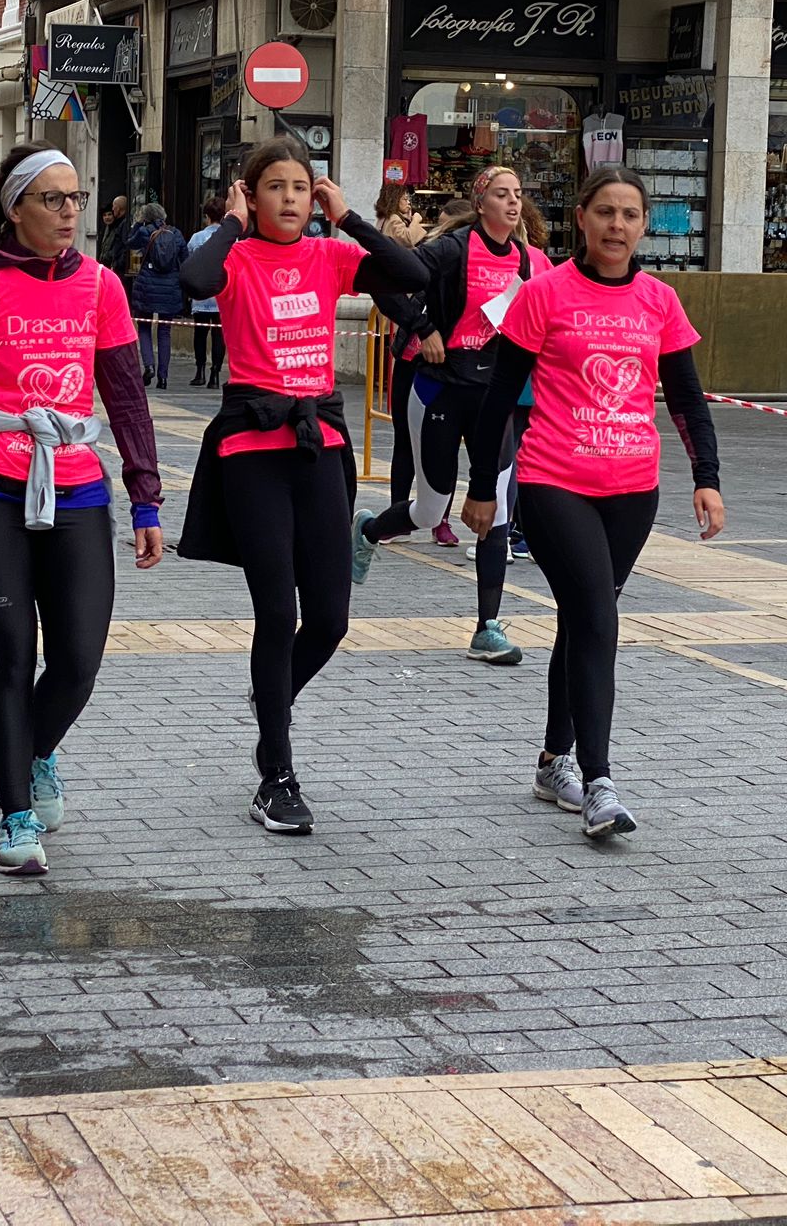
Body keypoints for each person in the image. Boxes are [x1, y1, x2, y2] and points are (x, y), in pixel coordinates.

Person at [0, 144, 163, 875]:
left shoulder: (103, 286)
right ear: (13, 209)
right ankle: (15, 813)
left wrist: (146, 498)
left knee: (78, 659)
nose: (70, 212)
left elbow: (127, 397)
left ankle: (37, 751)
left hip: (77, 482)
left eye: (76, 198)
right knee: (12, 661)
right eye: (53, 199)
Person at [461, 165, 724, 838]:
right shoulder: (543, 294)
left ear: (643, 225)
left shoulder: (659, 301)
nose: (617, 226)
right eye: (605, 212)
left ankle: (554, 761)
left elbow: (688, 398)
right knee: (599, 621)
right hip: (553, 481)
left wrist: (707, 476)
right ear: (581, 217)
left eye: (630, 215)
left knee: (581, 622)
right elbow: (498, 399)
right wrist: (484, 488)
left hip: (633, 489)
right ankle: (600, 781)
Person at [177, 135, 429, 835]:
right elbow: (193, 282)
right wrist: (229, 224)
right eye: (275, 187)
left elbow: (413, 274)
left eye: (300, 188)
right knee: (274, 611)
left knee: (330, 618)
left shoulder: (330, 253)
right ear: (251, 196)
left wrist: (349, 218)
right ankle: (276, 778)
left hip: (321, 445)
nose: (289, 199)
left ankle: (272, 700)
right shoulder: (234, 256)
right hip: (251, 450)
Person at [352, 165, 545, 667]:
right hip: (439, 390)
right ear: (481, 204)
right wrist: (423, 326)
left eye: (518, 195)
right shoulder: (452, 249)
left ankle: (487, 627)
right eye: (502, 194)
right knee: (430, 511)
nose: (512, 203)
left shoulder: (531, 261)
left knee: (497, 506)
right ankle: (369, 530)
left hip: (492, 397)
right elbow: (382, 276)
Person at [130, 202, 185, 388]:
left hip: (147, 285)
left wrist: (138, 223)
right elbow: (184, 258)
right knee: (164, 332)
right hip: (170, 288)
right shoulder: (176, 234)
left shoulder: (145, 232)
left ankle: (149, 365)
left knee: (144, 328)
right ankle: (163, 377)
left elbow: (129, 243)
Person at [185, 197, 228, 387]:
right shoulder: (229, 237)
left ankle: (200, 371)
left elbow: (190, 263)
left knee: (200, 334)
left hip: (201, 293)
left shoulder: (197, 238)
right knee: (219, 336)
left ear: (207, 216)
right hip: (222, 293)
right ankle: (216, 374)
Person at [97, 193, 133, 284]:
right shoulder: (114, 225)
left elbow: (125, 247)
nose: (113, 209)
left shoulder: (123, 224)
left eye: (114, 207)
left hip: (119, 268)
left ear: (119, 208)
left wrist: (117, 263)